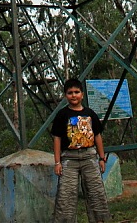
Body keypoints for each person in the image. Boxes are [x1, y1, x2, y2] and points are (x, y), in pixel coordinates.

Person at [50, 77, 110, 222]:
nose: (74, 95)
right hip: (69, 159)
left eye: (77, 92)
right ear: (66, 96)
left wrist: (102, 158)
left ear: (82, 94)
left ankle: (100, 220)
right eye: (70, 92)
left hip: (89, 157)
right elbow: (57, 138)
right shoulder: (62, 115)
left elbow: (97, 136)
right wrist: (57, 162)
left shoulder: (90, 114)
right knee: (66, 197)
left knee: (96, 194)